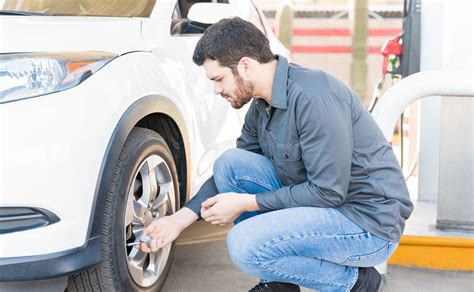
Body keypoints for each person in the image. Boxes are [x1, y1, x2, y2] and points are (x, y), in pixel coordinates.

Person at [138, 17, 413, 292]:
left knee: (244, 244)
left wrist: (246, 202)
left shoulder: (315, 97)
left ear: (245, 66)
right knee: (230, 165)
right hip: (328, 206)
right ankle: (280, 285)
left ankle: (358, 283)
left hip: (366, 224)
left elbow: (329, 192)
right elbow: (232, 175)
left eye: (219, 78)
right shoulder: (261, 106)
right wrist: (180, 219)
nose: (216, 89)